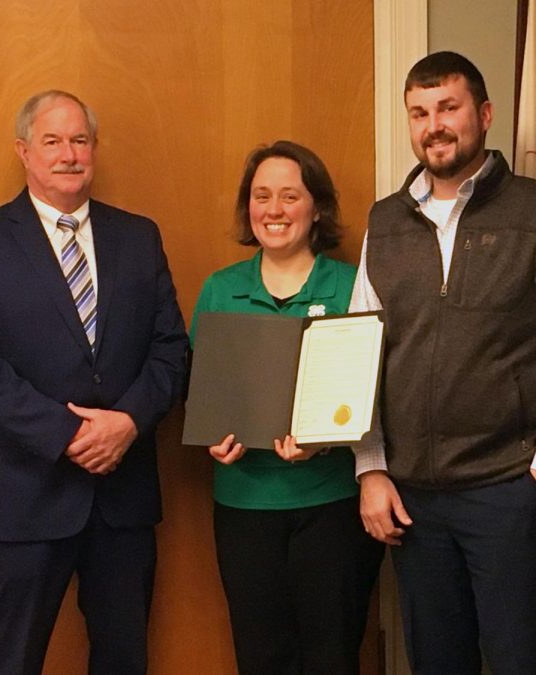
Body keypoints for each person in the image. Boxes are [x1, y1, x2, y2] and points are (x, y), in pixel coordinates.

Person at [352, 51, 536, 675]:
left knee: (521, 662)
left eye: (449, 108)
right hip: (412, 501)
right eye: (420, 112)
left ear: (483, 115)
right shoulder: (386, 221)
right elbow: (360, 353)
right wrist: (370, 469)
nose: (434, 125)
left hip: (507, 489)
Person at [0, 90, 187, 674]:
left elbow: (171, 349)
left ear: (93, 149)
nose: (68, 154)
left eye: (79, 140)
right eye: (52, 140)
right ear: (24, 151)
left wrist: (127, 423)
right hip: (24, 496)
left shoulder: (138, 237)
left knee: (124, 659)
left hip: (122, 500)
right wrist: (69, 434)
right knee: (9, 661)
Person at [190, 141, 383, 675]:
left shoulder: (353, 286)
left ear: (316, 207)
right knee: (260, 657)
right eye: (261, 196)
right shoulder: (220, 290)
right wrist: (213, 436)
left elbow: (375, 394)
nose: (274, 210)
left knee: (333, 656)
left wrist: (328, 437)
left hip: (332, 506)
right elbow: (198, 388)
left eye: (290, 196)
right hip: (244, 506)